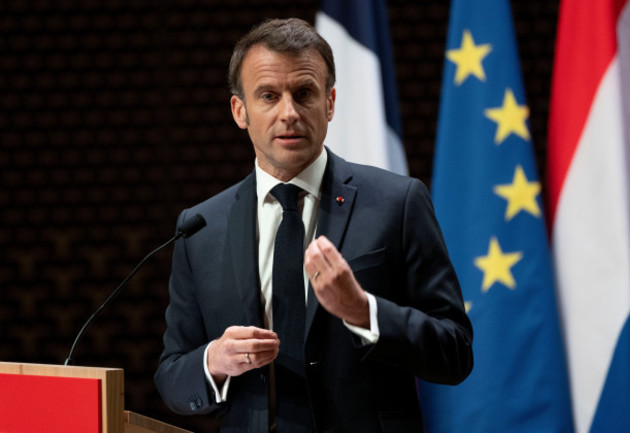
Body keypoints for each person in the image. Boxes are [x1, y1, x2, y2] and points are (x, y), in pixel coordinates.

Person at [155, 17, 473, 433]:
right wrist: (213, 361)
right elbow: (172, 375)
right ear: (240, 111)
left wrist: (365, 312)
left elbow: (455, 352)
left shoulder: (397, 203)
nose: (289, 113)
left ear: (330, 103)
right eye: (268, 95)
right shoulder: (201, 228)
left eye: (303, 93)